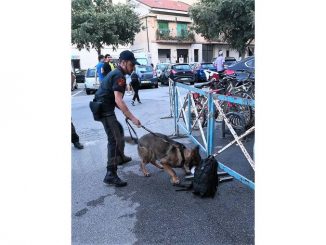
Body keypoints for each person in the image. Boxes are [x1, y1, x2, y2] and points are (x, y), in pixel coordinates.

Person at [94, 50, 141, 187]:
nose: (133, 68)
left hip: (104, 106)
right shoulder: (119, 76)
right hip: (104, 109)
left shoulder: (117, 73)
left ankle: (120, 158)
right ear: (124, 62)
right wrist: (132, 118)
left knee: (118, 130)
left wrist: (126, 114)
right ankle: (111, 174)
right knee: (114, 139)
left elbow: (116, 101)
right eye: (132, 65)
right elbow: (118, 100)